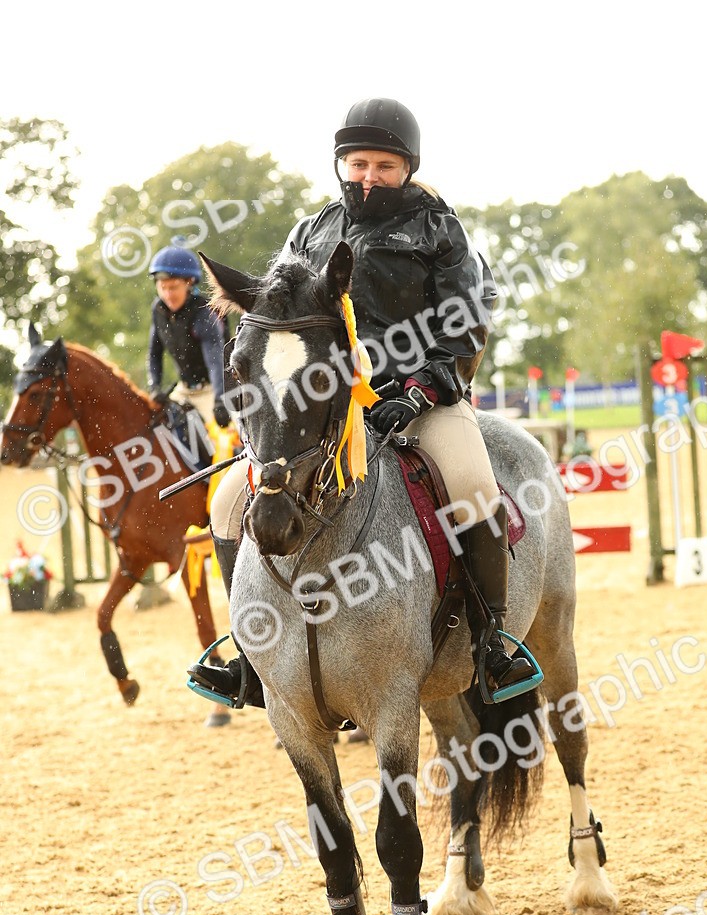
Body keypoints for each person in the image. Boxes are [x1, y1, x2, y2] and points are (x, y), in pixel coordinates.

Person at [189, 97, 540, 708]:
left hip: (425, 400)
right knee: (225, 504)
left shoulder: (438, 228)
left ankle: (493, 645)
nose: (369, 176)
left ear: (407, 168)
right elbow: (279, 318)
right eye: (358, 163)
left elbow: (466, 323)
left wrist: (420, 389)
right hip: (328, 409)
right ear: (340, 164)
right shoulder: (312, 230)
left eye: (384, 164)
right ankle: (250, 654)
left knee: (473, 485)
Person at [147, 238, 230, 430]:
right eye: (162, 287)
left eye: (173, 287)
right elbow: (154, 353)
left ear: (189, 283)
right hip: (183, 390)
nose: (167, 295)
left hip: (212, 390)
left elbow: (216, 361)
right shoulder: (158, 310)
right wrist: (155, 387)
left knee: (225, 439)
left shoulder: (204, 313)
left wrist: (219, 400)